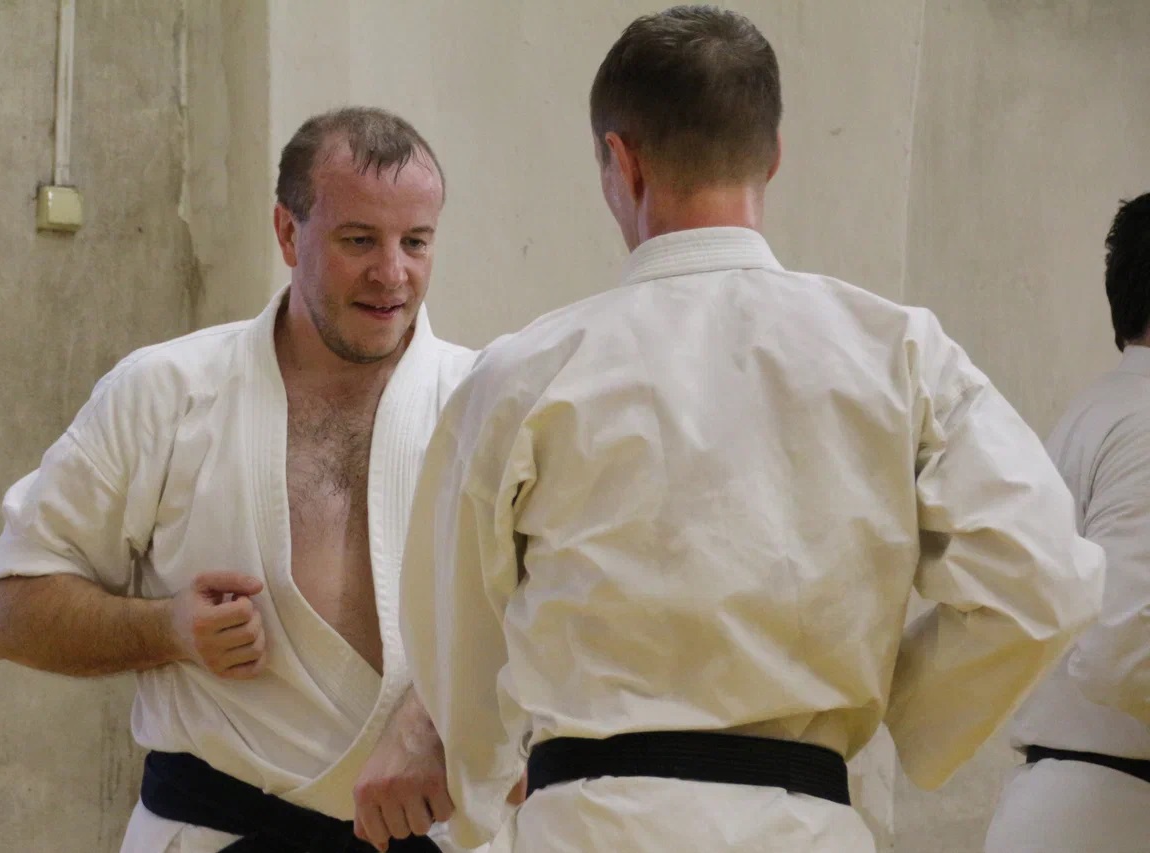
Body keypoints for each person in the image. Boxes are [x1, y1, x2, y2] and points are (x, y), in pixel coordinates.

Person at [399, 7, 1105, 851]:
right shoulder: (898, 351)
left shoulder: (526, 370)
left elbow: (457, 646)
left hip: (590, 824)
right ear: (773, 155)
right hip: (805, 823)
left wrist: (482, 790)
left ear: (622, 162)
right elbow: (1045, 580)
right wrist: (903, 707)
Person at [0, 107, 480, 853]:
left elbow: (558, 621)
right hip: (215, 832)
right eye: (358, 240)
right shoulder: (165, 392)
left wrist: (434, 721)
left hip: (431, 835)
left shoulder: (484, 402)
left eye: (416, 241)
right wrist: (166, 630)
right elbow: (4, 609)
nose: (391, 273)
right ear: (287, 232)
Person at [984, 192, 1150, 853]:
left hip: (1080, 803)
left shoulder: (1099, 411)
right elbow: (1124, 653)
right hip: (1111, 812)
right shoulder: (1143, 424)